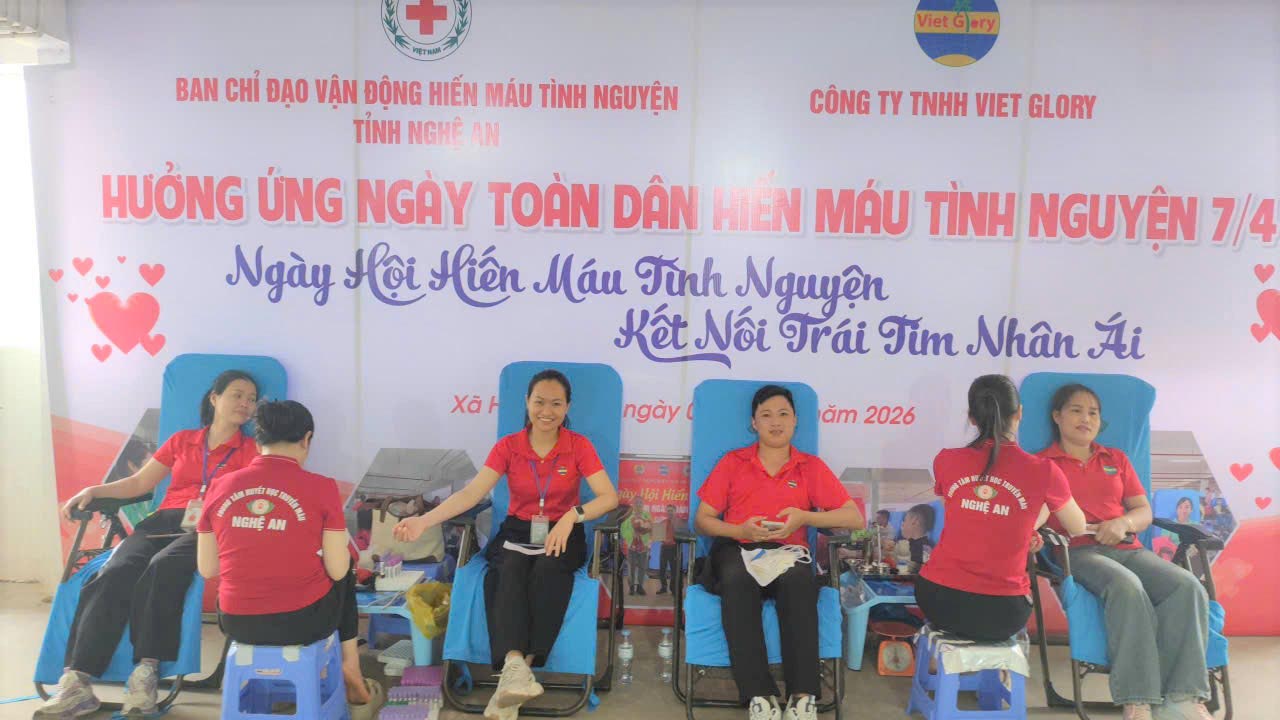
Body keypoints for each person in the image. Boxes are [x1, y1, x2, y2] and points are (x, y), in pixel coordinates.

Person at [393, 369, 618, 720]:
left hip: (562, 530)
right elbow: (471, 493)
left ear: (567, 406)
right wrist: (423, 520)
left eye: (556, 403)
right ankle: (516, 668)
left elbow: (608, 497)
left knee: (548, 570)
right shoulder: (508, 447)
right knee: (506, 570)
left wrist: (572, 516)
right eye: (539, 402)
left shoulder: (578, 446)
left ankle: (515, 673)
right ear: (527, 403)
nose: (547, 410)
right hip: (516, 531)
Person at [41, 370, 260, 718]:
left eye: (251, 399)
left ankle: (145, 671)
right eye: (238, 394)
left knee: (164, 568)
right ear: (214, 398)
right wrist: (93, 491)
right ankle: (77, 681)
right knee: (116, 570)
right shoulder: (182, 440)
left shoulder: (251, 451)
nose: (246, 404)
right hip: (163, 520)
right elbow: (139, 482)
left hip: (209, 528)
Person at [196, 400, 383, 719]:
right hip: (302, 622)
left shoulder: (221, 486)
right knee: (346, 574)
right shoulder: (321, 487)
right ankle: (351, 669)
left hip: (236, 621)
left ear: (257, 440)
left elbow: (208, 568)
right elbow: (337, 569)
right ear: (306, 439)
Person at [1040, 383, 1214, 720]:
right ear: (1057, 416)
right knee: (1126, 586)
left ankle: (1181, 697)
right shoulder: (1043, 463)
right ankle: (1138, 698)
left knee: (1187, 586)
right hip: (1076, 552)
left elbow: (1143, 512)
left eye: (1093, 412)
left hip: (1126, 546)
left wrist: (1122, 523)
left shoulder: (1115, 458)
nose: (1085, 418)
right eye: (1076, 410)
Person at [694, 384, 864, 720]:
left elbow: (853, 517)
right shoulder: (733, 462)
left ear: (795, 421)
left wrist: (804, 517)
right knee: (736, 581)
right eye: (766, 415)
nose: (775, 422)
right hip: (737, 547)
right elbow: (703, 520)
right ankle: (759, 695)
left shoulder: (809, 467)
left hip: (788, 551)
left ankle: (802, 697)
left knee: (800, 583)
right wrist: (740, 530)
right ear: (753, 423)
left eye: (783, 414)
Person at [917, 374, 1088, 645]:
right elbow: (1077, 526)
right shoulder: (1044, 471)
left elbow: (961, 515)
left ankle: (941, 672)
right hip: (1002, 611)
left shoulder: (946, 460)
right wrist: (1030, 520)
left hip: (937, 599)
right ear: (1019, 413)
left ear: (972, 418)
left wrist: (1021, 527)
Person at [622, 497, 653, 595]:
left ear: (643, 504)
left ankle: (640, 587)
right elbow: (623, 530)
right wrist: (631, 535)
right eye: (637, 503)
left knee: (642, 567)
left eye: (640, 503)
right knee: (631, 567)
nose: (639, 504)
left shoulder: (647, 515)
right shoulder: (628, 517)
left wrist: (649, 542)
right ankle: (631, 587)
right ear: (633, 504)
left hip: (644, 546)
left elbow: (652, 530)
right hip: (632, 546)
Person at [657, 503, 679, 594]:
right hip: (664, 548)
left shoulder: (679, 523)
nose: (669, 512)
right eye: (668, 510)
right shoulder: (663, 522)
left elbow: (682, 534)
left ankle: (673, 588)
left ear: (675, 511)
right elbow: (658, 537)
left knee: (674, 569)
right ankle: (663, 587)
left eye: (671, 511)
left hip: (674, 548)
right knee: (662, 569)